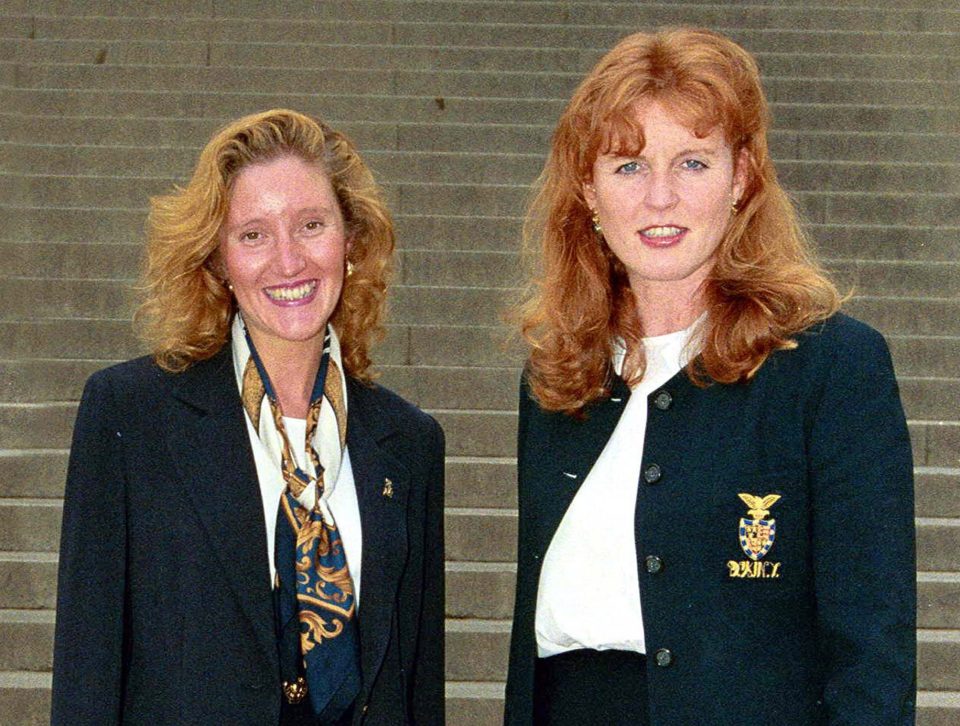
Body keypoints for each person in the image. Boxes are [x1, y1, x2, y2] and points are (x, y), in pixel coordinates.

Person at [505, 28, 915, 725]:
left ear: (742, 178)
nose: (658, 197)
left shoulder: (830, 370)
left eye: (692, 163)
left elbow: (872, 652)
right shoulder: (556, 378)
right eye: (628, 167)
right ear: (589, 191)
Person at [51, 109, 445, 725]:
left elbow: (417, 690)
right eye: (254, 234)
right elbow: (87, 666)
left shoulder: (409, 443)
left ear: (351, 242)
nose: (288, 261)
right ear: (218, 262)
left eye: (311, 225)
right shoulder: (130, 416)